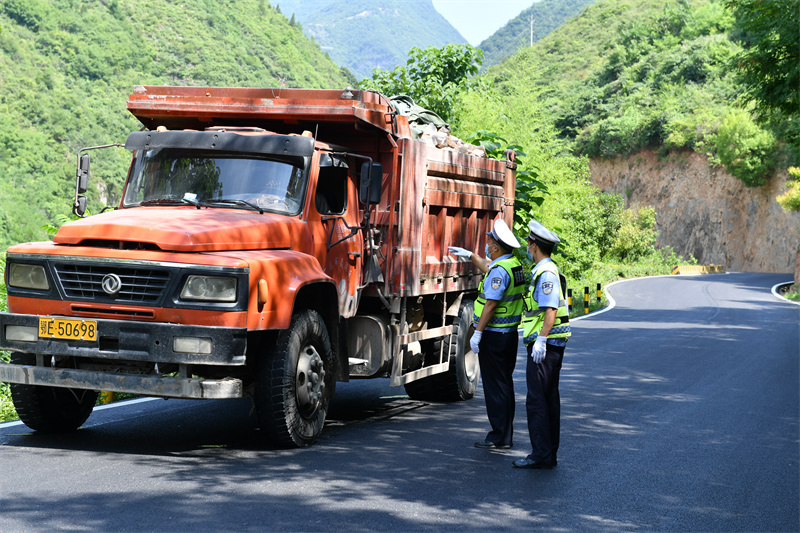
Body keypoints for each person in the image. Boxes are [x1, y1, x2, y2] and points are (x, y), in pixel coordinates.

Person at [449, 218, 526, 450]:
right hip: (509, 335)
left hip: (494, 336)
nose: (488, 243)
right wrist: (471, 255)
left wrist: (478, 333)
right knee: (504, 384)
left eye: (490, 240)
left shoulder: (499, 271)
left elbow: (491, 304)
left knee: (495, 387)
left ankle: (499, 437)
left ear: (498, 247)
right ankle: (505, 434)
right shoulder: (512, 264)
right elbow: (489, 268)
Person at [513, 220, 572, 469]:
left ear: (534, 246)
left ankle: (541, 454)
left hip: (546, 346)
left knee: (538, 399)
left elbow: (549, 308)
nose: (527, 245)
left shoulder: (546, 273)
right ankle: (547, 453)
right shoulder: (545, 270)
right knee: (548, 398)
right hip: (549, 344)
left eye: (528, 242)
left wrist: (541, 339)